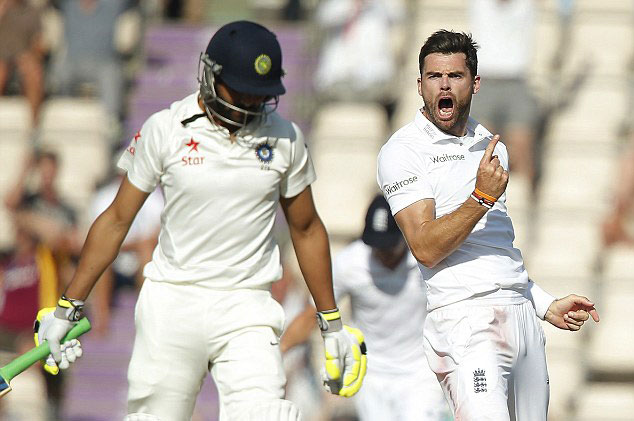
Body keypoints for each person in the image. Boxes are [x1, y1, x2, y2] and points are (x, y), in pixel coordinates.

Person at [33, 20, 367, 421]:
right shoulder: (165, 129)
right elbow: (118, 220)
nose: (248, 104)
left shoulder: (285, 138)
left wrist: (330, 323)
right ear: (211, 75)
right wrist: (67, 307)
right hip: (173, 300)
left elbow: (307, 227)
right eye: (239, 90)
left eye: (259, 95)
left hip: (247, 306)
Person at [376, 30, 600, 421]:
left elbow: (495, 250)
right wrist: (480, 198)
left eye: (455, 76)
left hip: (522, 320)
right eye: (433, 77)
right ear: (419, 84)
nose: (443, 85)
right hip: (465, 322)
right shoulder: (403, 151)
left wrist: (544, 303)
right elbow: (425, 247)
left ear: (474, 83)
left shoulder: (491, 146)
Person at [282, 194, 451, 421]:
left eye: (388, 247)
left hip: (421, 374)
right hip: (372, 377)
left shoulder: (427, 261)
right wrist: (279, 350)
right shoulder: (351, 264)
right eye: (376, 247)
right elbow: (314, 315)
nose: (382, 254)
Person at [0, 0, 45, 132]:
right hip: (1, 56)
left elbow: (39, 43)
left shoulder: (32, 11)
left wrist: (31, 55)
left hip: (23, 56)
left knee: (34, 74)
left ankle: (33, 128)